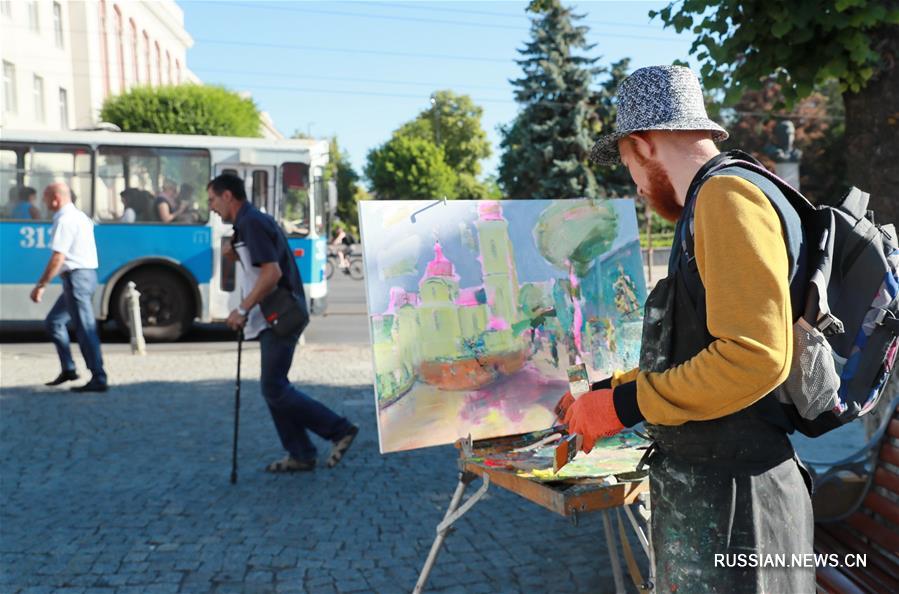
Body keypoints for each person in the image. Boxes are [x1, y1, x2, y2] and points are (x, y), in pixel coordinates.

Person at [557, 65, 813, 593]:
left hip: (741, 507)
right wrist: (612, 390)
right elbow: (701, 345)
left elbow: (754, 356)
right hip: (731, 494)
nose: (631, 180)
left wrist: (624, 406)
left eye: (625, 160)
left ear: (643, 144)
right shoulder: (722, 195)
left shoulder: (724, 198)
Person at [207, 173, 359, 472]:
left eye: (212, 199)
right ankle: (301, 452)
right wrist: (235, 255)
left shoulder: (251, 222)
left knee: (274, 388)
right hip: (273, 315)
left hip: (279, 315)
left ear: (228, 196)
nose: (211, 207)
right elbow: (260, 265)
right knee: (273, 387)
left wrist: (242, 309)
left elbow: (271, 273)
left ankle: (338, 429)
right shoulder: (246, 223)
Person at [30, 182, 108, 392]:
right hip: (85, 276)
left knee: (85, 328)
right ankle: (69, 368)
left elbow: (58, 257)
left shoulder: (64, 220)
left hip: (77, 279)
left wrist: (41, 285)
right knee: (54, 322)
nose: (44, 203)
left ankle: (98, 377)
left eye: (45, 198)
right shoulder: (80, 216)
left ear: (56, 198)